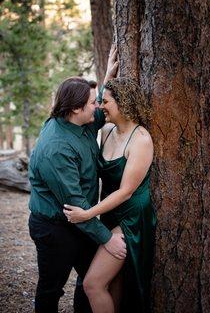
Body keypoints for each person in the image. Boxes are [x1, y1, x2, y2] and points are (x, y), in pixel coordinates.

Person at [28, 46, 127, 313]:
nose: (99, 107)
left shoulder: (78, 121)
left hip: (81, 222)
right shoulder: (57, 148)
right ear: (74, 109)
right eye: (94, 102)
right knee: (51, 288)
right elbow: (75, 204)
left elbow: (97, 113)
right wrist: (107, 238)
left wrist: (107, 76)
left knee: (90, 280)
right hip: (55, 227)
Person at [63, 77, 156, 313]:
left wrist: (87, 214)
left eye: (105, 102)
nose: (100, 106)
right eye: (100, 101)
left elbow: (126, 192)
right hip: (108, 212)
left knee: (93, 284)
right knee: (113, 283)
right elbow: (88, 105)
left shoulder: (141, 140)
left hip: (130, 217)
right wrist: (107, 73)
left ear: (123, 103)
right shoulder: (106, 130)